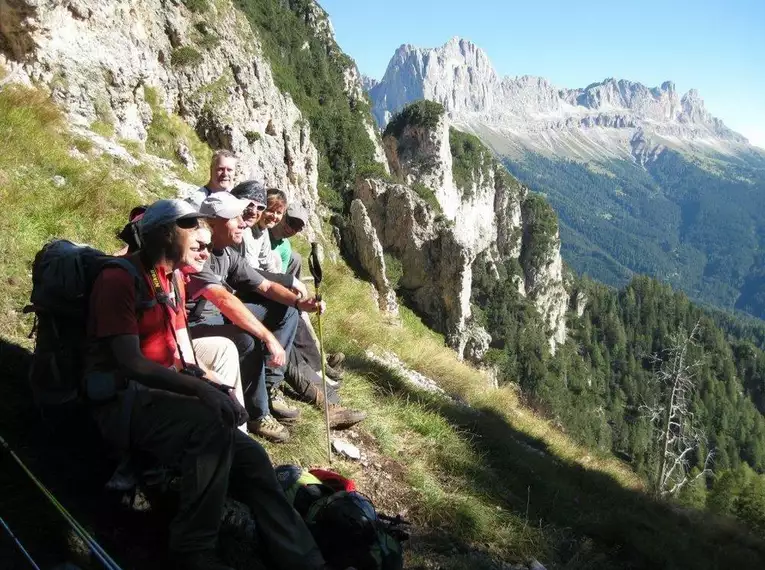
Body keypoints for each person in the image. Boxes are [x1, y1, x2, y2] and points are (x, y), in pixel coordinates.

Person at [85, 199, 326, 570]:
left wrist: (214, 385)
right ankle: (193, 550)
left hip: (161, 394)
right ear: (165, 233)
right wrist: (200, 391)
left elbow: (183, 356)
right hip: (123, 401)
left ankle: (305, 558)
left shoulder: (173, 279)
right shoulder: (118, 279)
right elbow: (129, 363)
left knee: (252, 456)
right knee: (212, 427)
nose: (202, 239)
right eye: (192, 230)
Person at [186, 192, 323, 443]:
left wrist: (299, 302)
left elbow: (266, 287)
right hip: (193, 327)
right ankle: (258, 414)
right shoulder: (198, 254)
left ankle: (270, 382)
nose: (242, 222)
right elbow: (224, 300)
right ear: (213, 222)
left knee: (287, 310)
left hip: (219, 318)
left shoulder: (227, 253)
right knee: (246, 338)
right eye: (234, 217)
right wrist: (267, 336)